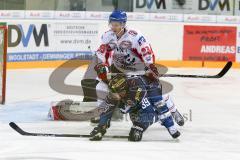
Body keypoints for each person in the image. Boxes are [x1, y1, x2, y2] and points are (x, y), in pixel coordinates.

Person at [87, 9, 184, 126]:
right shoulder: (107, 36)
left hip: (138, 68)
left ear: (123, 24)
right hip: (119, 69)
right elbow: (101, 53)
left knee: (155, 89)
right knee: (101, 86)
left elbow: (146, 51)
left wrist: (150, 66)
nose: (113, 27)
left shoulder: (134, 36)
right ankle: (101, 113)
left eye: (116, 24)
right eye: (112, 23)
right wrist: (101, 65)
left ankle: (173, 111)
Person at [89, 74, 181, 141]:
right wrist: (101, 126)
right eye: (112, 92)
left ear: (123, 91)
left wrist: (140, 127)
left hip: (151, 89)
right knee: (132, 116)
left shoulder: (137, 91)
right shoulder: (116, 93)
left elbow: (149, 113)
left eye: (115, 92)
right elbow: (107, 110)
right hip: (136, 98)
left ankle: (171, 112)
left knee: (158, 105)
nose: (112, 95)